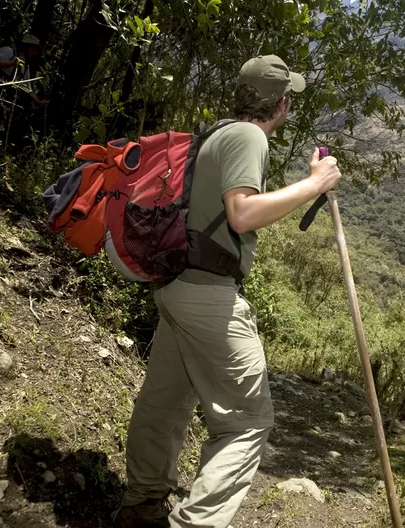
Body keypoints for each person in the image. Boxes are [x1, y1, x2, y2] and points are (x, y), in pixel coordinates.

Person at [114, 55, 343, 528]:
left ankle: (141, 503)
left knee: (165, 403)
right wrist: (313, 183)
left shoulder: (217, 133)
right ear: (281, 104)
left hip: (178, 287)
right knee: (247, 422)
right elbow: (241, 214)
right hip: (207, 297)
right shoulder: (248, 136)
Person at [0, 33, 48, 109]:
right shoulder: (9, 52)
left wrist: (39, 102)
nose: (34, 53)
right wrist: (11, 63)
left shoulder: (25, 66)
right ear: (26, 47)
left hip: (0, 100)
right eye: (33, 49)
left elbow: (28, 88)